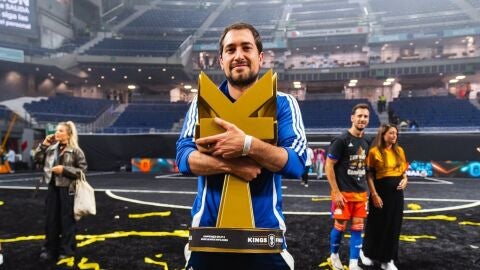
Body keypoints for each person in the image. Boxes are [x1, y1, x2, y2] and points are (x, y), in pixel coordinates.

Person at [176, 22, 307, 270]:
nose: (238, 55)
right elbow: (183, 158)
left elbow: (297, 164)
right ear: (221, 60)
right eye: (230, 49)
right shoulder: (202, 103)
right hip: (208, 237)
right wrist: (233, 166)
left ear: (260, 57)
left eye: (246, 47)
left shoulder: (283, 103)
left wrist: (247, 144)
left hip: (263, 238)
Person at [325, 103, 370, 270]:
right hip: (343, 194)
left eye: (365, 116)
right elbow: (328, 166)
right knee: (340, 226)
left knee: (358, 227)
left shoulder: (367, 140)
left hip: (360, 194)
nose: (362, 119)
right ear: (352, 118)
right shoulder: (341, 140)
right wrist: (336, 192)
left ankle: (353, 263)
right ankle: (334, 255)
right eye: (359, 116)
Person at [34, 121, 87, 263]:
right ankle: (50, 249)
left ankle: (67, 250)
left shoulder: (76, 151)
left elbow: (82, 171)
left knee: (67, 221)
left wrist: (64, 170)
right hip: (52, 189)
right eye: (56, 130)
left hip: (68, 190)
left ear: (69, 134)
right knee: (50, 220)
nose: (57, 133)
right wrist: (44, 144)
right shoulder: (50, 149)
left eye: (61, 131)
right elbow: (37, 159)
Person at [360, 124, 408, 270]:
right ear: (383, 134)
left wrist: (405, 180)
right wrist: (374, 194)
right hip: (380, 193)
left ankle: (388, 259)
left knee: (394, 225)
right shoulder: (374, 152)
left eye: (396, 133)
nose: (394, 136)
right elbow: (369, 175)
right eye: (391, 133)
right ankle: (367, 252)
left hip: (397, 196)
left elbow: (403, 172)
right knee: (376, 224)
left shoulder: (400, 151)